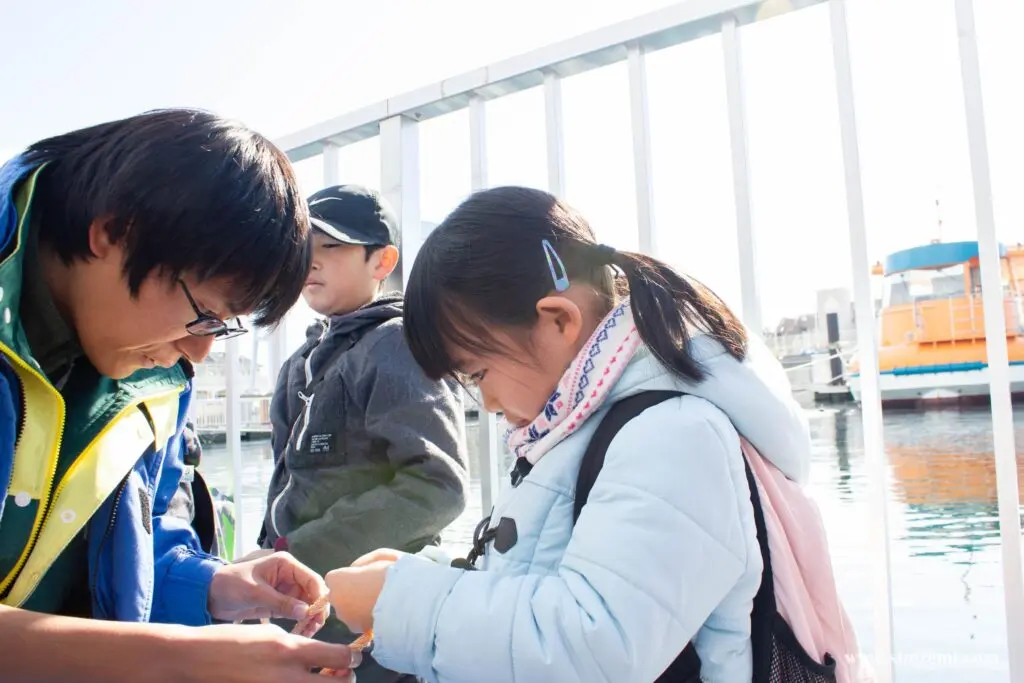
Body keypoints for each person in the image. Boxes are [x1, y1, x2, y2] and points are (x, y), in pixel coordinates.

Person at [323, 186, 820, 682]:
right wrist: (424, 576)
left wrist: (403, 602)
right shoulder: (578, 425)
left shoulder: (676, 436)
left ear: (559, 320)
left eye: (478, 374)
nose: (488, 404)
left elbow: (595, 647)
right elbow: (540, 577)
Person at [0, 109, 358, 682]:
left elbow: (136, 554)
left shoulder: (158, 380)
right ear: (115, 233)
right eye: (204, 315)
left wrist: (213, 585)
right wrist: (180, 657)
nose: (199, 353)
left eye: (222, 327)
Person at [259, 185, 468, 682]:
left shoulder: (396, 343)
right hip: (301, 604)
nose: (311, 261)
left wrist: (292, 551)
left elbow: (437, 487)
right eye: (303, 248)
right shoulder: (301, 361)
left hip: (368, 621)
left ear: (382, 261)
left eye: (332, 246)